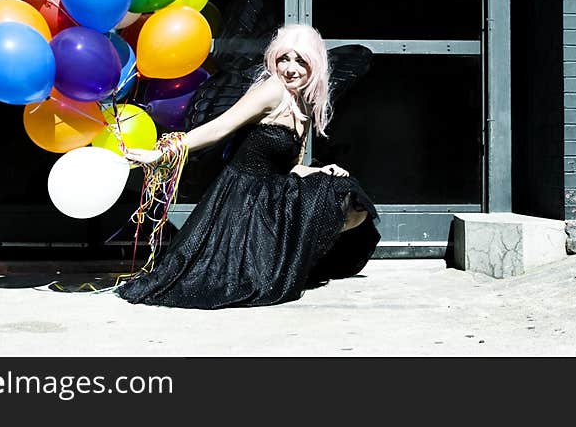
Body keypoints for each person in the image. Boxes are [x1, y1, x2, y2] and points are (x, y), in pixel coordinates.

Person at [117, 21, 380, 309]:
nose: (290, 69)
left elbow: (291, 167)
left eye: (300, 61)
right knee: (238, 283)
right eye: (283, 59)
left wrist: (320, 170)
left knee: (346, 193)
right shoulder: (272, 90)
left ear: (314, 65)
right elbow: (219, 128)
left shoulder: (303, 105)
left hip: (272, 194)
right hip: (242, 199)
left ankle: (301, 261)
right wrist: (163, 152)